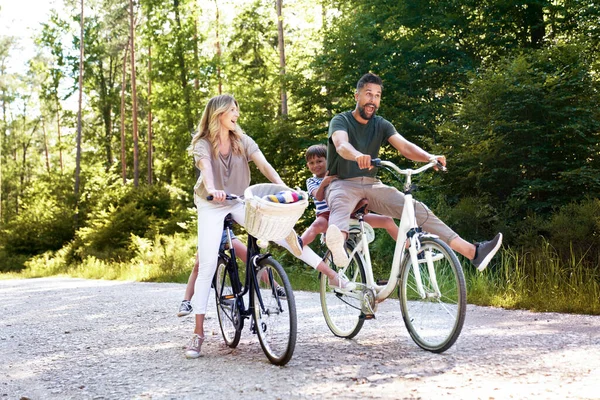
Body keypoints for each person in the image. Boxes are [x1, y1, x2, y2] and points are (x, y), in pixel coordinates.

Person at [185, 94, 351, 359]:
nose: (236, 113)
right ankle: (197, 333)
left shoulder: (243, 141)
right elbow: (206, 169)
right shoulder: (204, 144)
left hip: (239, 199)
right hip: (211, 202)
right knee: (206, 264)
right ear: (218, 114)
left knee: (286, 235)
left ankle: (330, 274)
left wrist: (284, 187)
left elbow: (264, 165)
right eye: (231, 110)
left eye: (237, 108)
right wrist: (214, 189)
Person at [324, 72, 503, 272]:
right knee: (340, 202)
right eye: (368, 94)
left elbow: (405, 147)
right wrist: (358, 156)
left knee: (415, 209)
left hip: (372, 185)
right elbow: (341, 144)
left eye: (377, 95)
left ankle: (473, 252)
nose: (372, 100)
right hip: (342, 182)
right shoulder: (341, 120)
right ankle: (338, 245)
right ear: (357, 96)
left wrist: (429, 157)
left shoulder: (381, 124)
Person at [301, 144, 398, 247]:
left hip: (351, 212)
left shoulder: (339, 174)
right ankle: (299, 244)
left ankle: (410, 248)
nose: (316, 165)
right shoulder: (312, 181)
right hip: (327, 215)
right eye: (311, 163)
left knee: (387, 220)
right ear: (308, 166)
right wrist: (324, 182)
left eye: (319, 161)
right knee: (316, 225)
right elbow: (318, 196)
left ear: (328, 160)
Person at [177, 227, 247, 317]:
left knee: (250, 258)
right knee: (198, 265)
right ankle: (186, 301)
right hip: (207, 234)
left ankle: (271, 283)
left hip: (225, 233)